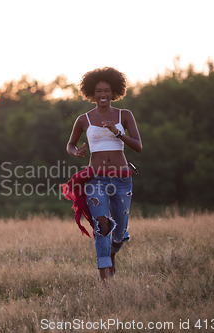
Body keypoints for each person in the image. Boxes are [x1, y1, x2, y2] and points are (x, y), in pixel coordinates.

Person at [65, 67, 142, 285]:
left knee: (118, 234)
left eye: (107, 90)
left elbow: (138, 146)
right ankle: (105, 284)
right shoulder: (84, 119)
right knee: (102, 227)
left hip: (121, 179)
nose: (103, 94)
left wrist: (118, 133)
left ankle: (112, 254)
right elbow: (70, 145)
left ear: (114, 91)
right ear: (91, 92)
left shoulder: (124, 115)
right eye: (98, 91)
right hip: (96, 180)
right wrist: (76, 151)